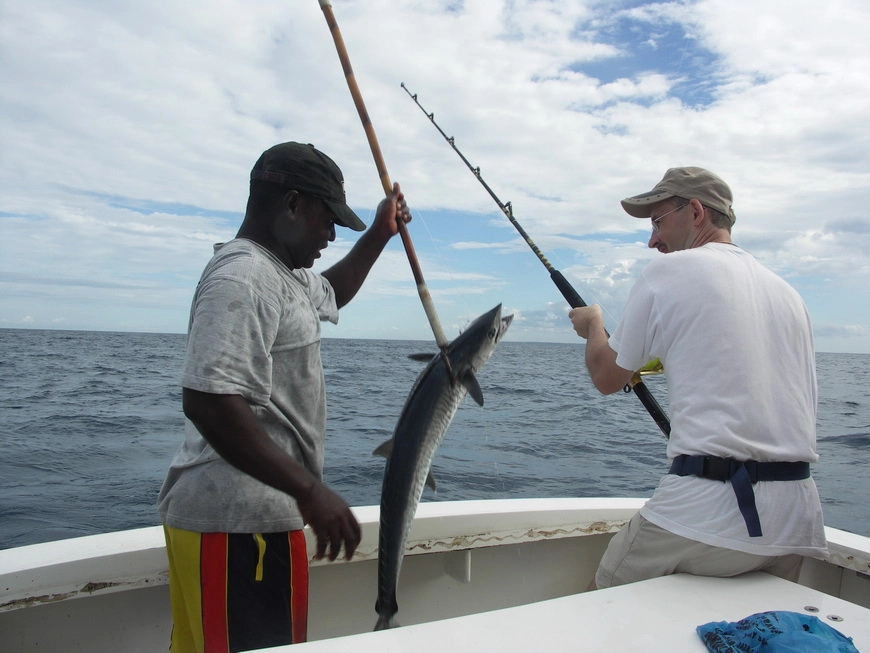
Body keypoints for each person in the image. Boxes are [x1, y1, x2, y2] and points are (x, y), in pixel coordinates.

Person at [157, 141, 412, 651]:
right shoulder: (243, 275)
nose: (331, 235)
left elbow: (333, 290)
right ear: (293, 205)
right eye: (327, 219)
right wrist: (310, 491)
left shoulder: (283, 275)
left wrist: (383, 232)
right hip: (236, 529)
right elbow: (208, 400)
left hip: (256, 526)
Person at [569, 167, 827, 590]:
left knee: (603, 604)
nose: (652, 240)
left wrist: (594, 325)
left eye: (656, 222)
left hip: (705, 510)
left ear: (694, 211)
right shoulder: (787, 294)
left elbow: (606, 375)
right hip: (795, 520)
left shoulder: (668, 273)